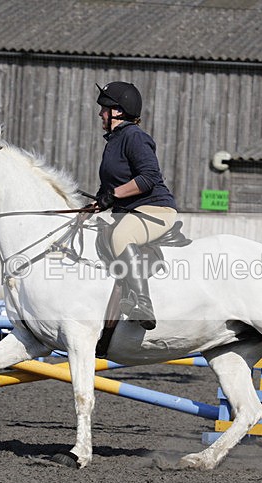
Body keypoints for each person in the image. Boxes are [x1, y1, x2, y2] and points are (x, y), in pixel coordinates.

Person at [94, 81, 177, 330]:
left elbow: (148, 178)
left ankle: (143, 303)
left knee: (122, 236)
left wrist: (114, 195)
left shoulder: (135, 137)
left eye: (104, 108)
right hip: (130, 211)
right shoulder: (113, 141)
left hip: (154, 209)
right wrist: (92, 206)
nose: (100, 113)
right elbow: (108, 188)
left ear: (118, 111)